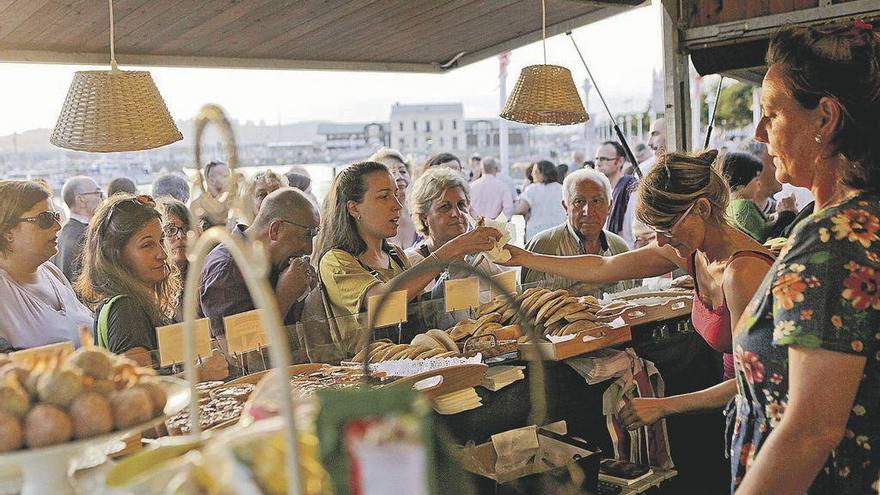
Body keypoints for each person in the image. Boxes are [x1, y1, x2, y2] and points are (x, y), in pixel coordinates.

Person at [720, 23, 880, 494]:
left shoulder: (833, 238)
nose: (758, 131)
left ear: (825, 119)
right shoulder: (863, 217)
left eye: (771, 113)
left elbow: (810, 432)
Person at [504, 150, 773, 382]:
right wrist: (521, 257)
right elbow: (602, 267)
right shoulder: (693, 253)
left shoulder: (742, 273)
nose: (659, 240)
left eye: (666, 227)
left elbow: (751, 383)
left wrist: (665, 407)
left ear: (701, 208)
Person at [316, 161, 499, 354]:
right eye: (384, 197)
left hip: (411, 364)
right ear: (354, 209)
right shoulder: (336, 261)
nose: (397, 205)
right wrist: (450, 250)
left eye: (395, 194)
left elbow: (420, 317)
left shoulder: (395, 255)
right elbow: (382, 303)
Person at [77, 194, 227, 380]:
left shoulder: (129, 302)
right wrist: (200, 373)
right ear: (117, 254)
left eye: (161, 240)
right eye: (147, 245)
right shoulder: (127, 308)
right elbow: (137, 387)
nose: (162, 254)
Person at [200, 188, 319, 346]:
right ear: (275, 230)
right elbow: (241, 354)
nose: (309, 249)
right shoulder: (226, 268)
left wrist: (309, 294)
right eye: (307, 235)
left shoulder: (277, 263)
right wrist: (284, 297)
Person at [0, 180, 90, 349]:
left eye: (56, 216)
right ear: (7, 232)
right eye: (45, 219)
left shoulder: (51, 272)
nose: (57, 226)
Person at [520, 168, 635, 297]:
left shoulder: (620, 248)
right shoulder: (543, 247)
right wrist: (586, 286)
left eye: (597, 201)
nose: (588, 211)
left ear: (609, 206)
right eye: (579, 202)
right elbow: (527, 310)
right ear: (565, 206)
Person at [405, 167, 510, 293]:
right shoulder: (410, 264)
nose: (456, 213)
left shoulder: (485, 259)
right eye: (445, 207)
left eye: (461, 204)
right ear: (424, 217)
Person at [722, 151, 797, 241]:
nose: (759, 184)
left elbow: (759, 221)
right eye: (756, 179)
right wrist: (785, 215)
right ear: (741, 184)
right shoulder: (744, 205)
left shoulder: (730, 205)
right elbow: (762, 234)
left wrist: (776, 215)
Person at [54, 176, 104, 282]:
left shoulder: (62, 232)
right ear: (81, 200)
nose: (102, 198)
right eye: (97, 193)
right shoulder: (85, 236)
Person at [157, 198, 198, 321]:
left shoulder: (204, 273)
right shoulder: (154, 282)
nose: (180, 236)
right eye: (170, 230)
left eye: (186, 228)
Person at [369, 148, 418, 249]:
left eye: (403, 171)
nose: (399, 176)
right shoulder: (369, 223)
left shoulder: (422, 215)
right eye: (391, 173)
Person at [596, 141, 638, 248]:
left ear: (620, 161)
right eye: (596, 159)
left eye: (604, 159)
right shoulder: (601, 192)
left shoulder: (631, 190)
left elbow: (638, 236)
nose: (598, 163)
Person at [514, 160, 566, 241]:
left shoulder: (532, 189)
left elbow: (521, 210)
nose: (532, 174)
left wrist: (516, 204)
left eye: (535, 171)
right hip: (559, 232)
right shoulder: (563, 189)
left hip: (537, 233)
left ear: (542, 174)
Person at [190, 161, 231, 229]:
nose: (230, 180)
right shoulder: (197, 206)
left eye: (229, 176)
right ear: (211, 180)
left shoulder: (229, 203)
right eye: (225, 176)